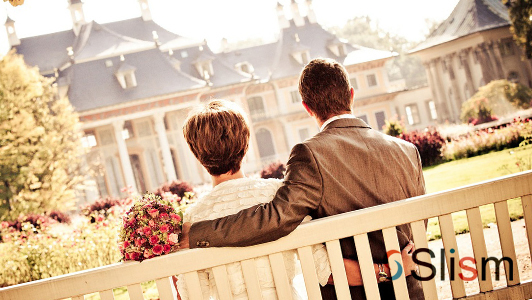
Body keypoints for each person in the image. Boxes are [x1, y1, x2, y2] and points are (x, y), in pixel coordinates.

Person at [180, 58, 426, 299]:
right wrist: (394, 269)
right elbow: (419, 228)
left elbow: (276, 218)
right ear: (351, 95)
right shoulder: (407, 150)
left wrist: (196, 234)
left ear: (307, 107)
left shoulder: (309, 155)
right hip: (411, 290)